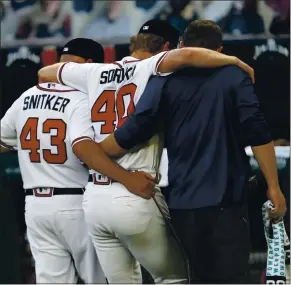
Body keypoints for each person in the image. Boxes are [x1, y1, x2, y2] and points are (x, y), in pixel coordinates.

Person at [37, 20, 255, 283]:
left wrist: (88, 80)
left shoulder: (94, 72)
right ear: (165, 47)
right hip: (136, 190)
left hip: (95, 199)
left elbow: (46, 72)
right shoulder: (150, 67)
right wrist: (236, 62)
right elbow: (187, 54)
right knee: (177, 277)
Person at [99, 20, 287, 283]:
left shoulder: (163, 80)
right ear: (219, 49)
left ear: (181, 46)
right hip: (227, 203)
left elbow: (132, 132)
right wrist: (274, 187)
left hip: (182, 204)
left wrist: (93, 153)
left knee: (195, 278)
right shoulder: (234, 75)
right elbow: (258, 133)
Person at [0, 38, 156, 284]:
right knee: (102, 280)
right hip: (74, 203)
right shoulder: (81, 97)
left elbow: (2, 141)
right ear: (89, 64)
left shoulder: (26, 97)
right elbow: (83, 147)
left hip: (36, 207)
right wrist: (127, 179)